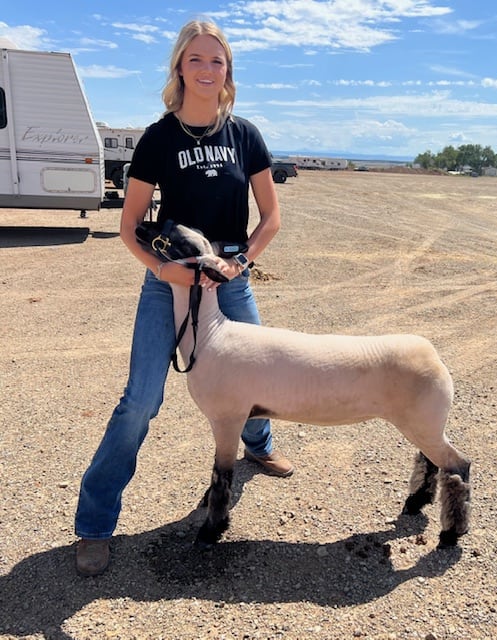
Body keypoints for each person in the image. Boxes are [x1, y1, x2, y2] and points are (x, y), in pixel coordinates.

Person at [74, 20, 294, 577]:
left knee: (261, 378)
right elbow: (128, 227)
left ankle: (257, 442)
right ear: (179, 67)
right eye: (195, 59)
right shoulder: (158, 137)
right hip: (168, 283)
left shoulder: (244, 135)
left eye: (216, 61)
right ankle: (95, 524)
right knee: (141, 399)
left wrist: (240, 264)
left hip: (230, 280)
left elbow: (270, 217)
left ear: (227, 72)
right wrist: (162, 269)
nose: (205, 69)